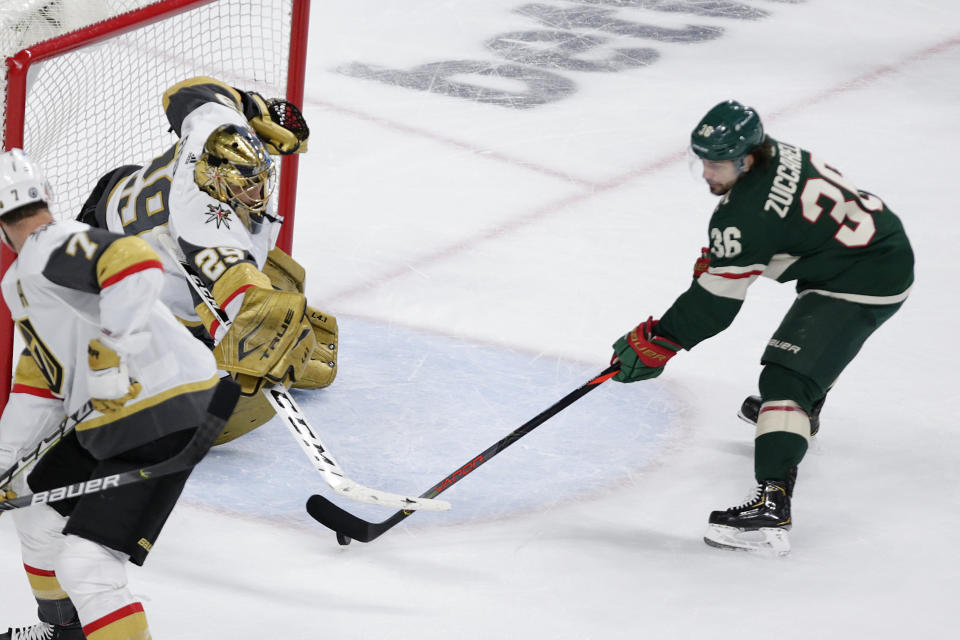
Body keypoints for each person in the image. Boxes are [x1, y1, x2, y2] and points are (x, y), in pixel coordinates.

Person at [609, 100, 914, 556]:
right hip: (872, 250)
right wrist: (730, 261)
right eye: (703, 161)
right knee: (802, 364)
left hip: (863, 279)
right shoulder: (776, 153)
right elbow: (788, 233)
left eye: (716, 163)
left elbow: (715, 306)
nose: (708, 173)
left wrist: (660, 340)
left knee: (784, 379)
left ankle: (771, 507)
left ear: (747, 158)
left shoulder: (744, 215)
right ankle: (797, 414)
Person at [0, 148, 237, 639]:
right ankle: (63, 632)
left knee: (87, 564)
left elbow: (134, 261)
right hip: (117, 421)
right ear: (45, 194)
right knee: (38, 518)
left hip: (167, 413)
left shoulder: (50, 244)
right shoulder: (20, 280)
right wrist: (3, 465)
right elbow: (41, 382)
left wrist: (112, 350)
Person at [76, 75, 338, 445]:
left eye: (260, 180)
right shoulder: (203, 226)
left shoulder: (214, 127)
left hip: (111, 197)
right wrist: (258, 334)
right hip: (113, 278)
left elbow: (186, 93)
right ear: (215, 181)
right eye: (244, 186)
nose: (257, 192)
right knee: (189, 370)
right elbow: (238, 288)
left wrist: (251, 107)